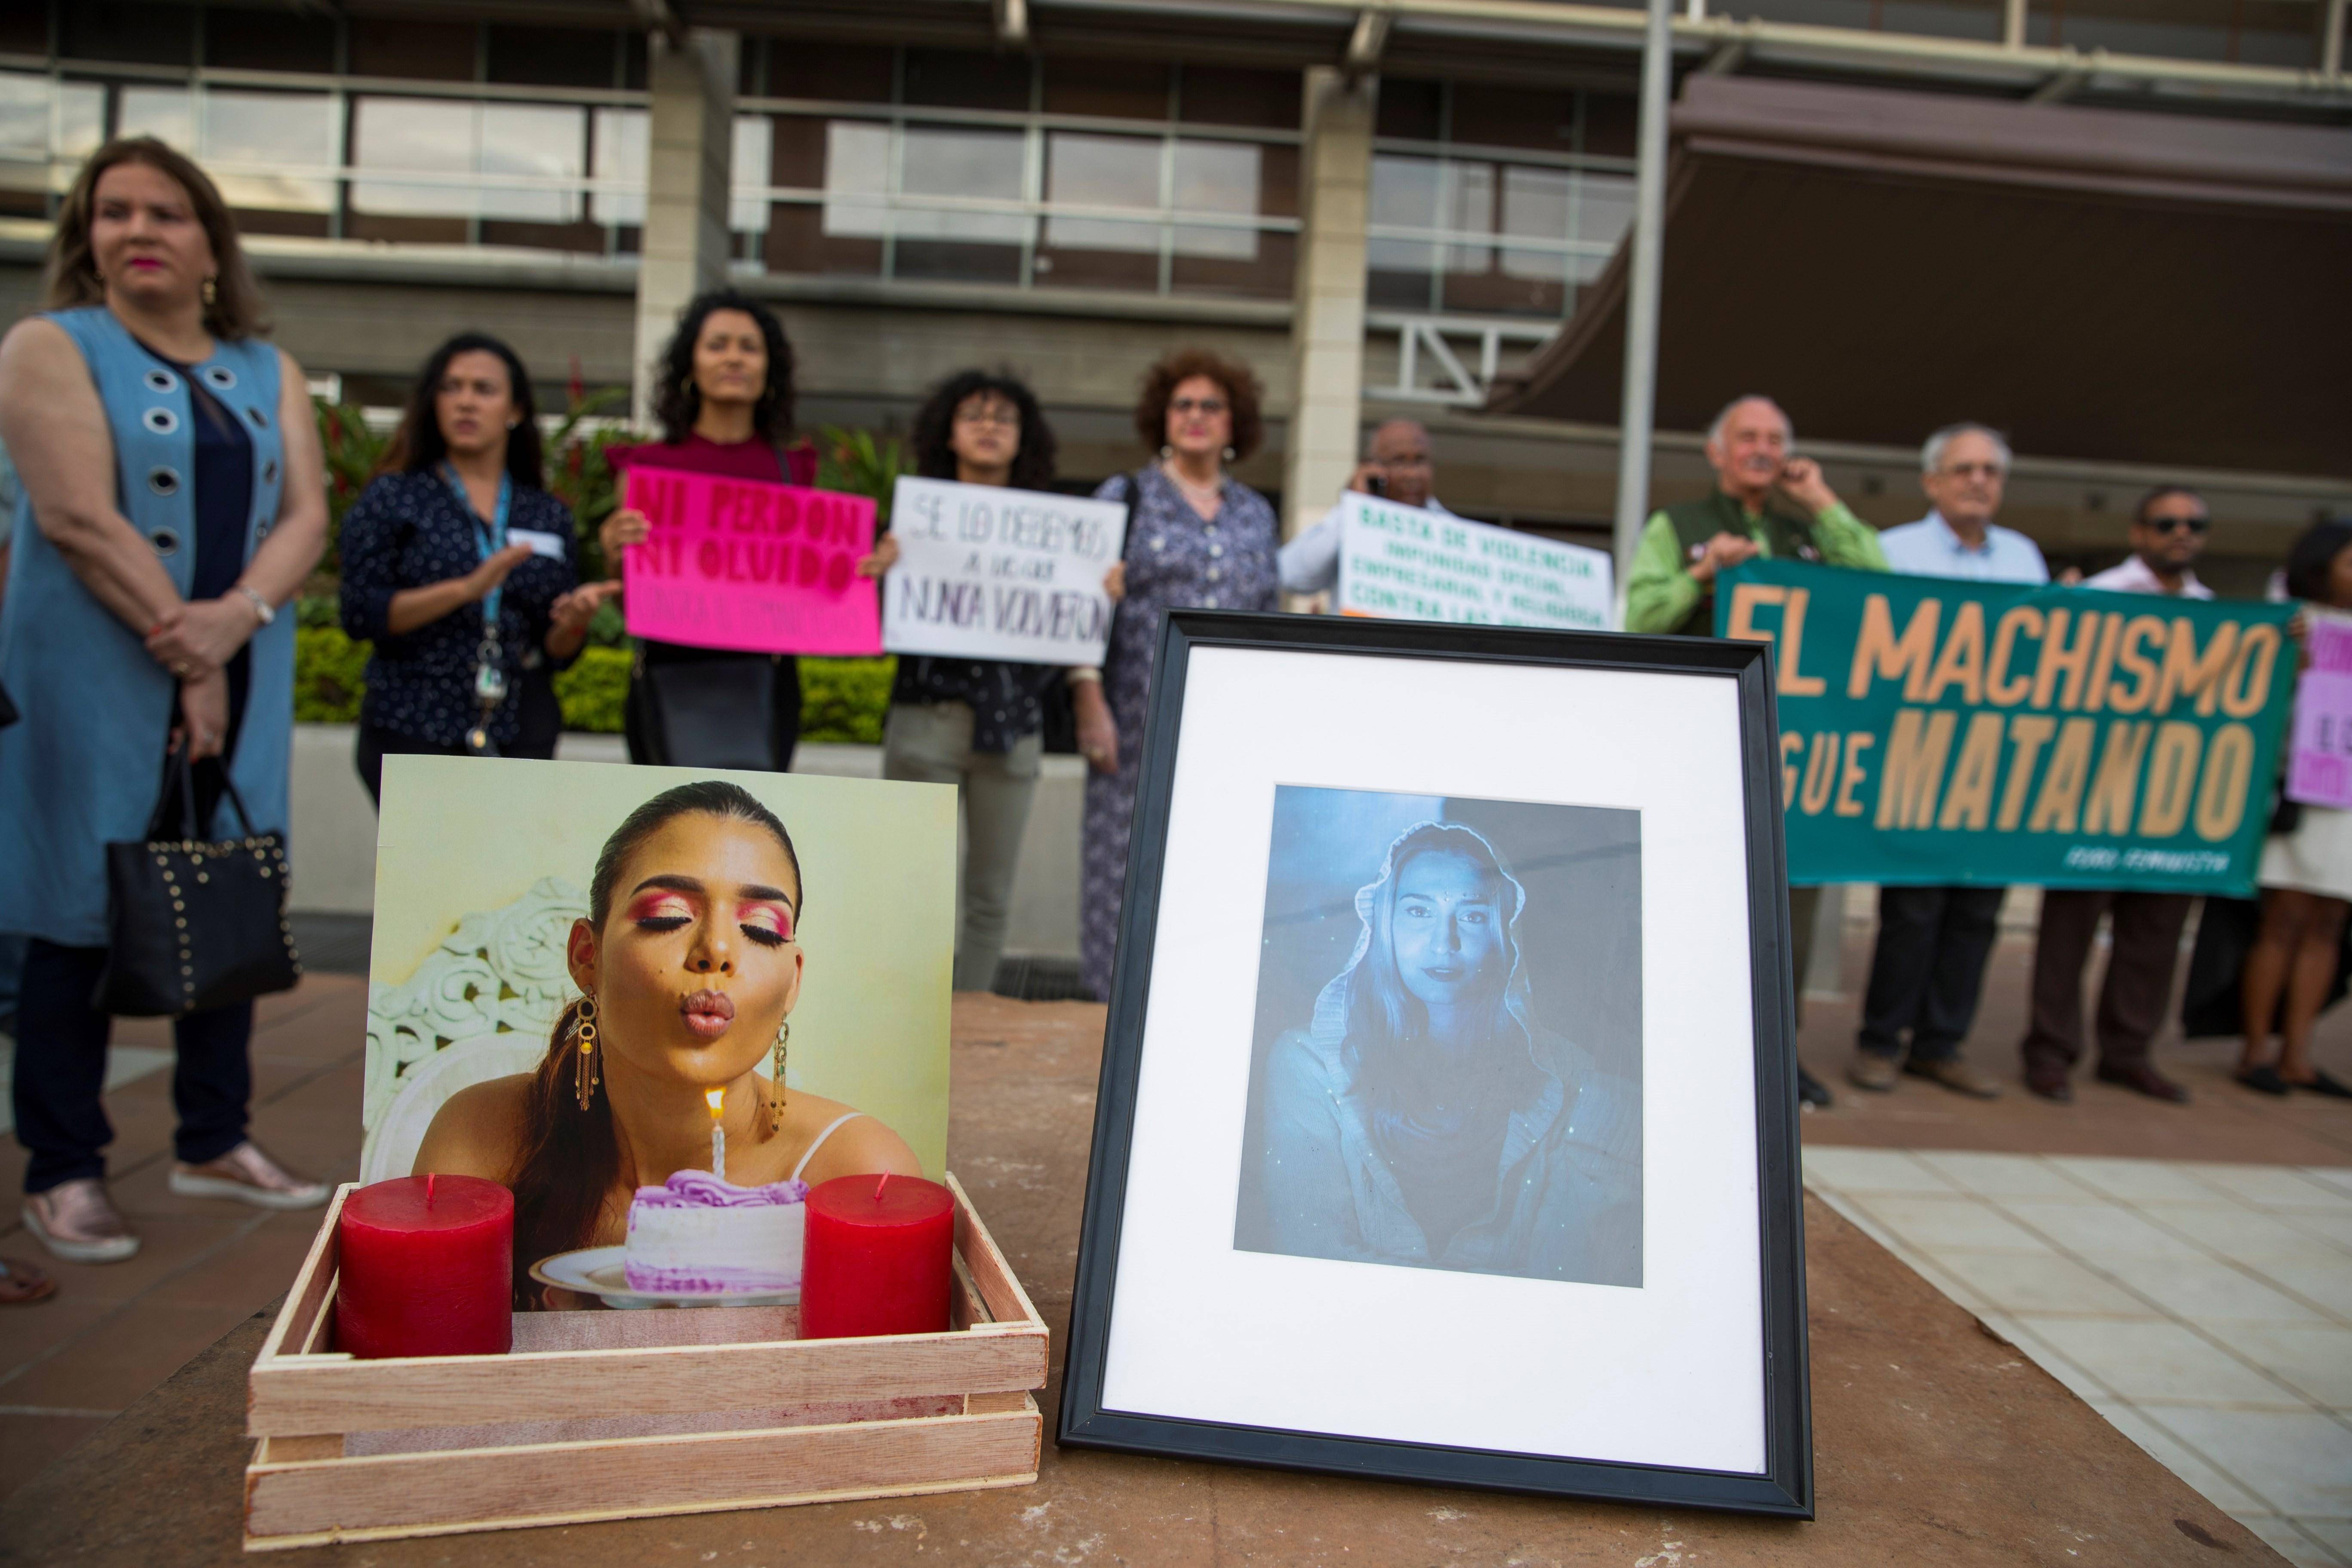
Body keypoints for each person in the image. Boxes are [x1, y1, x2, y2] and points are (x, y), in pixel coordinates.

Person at [0, 137, 332, 1263]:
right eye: (112, 212)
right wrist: (192, 656)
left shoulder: (265, 368)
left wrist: (234, 621)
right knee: (74, 905)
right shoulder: (50, 346)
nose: (138, 230)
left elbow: (307, 516)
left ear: (209, 245)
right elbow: (77, 518)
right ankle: (63, 1164)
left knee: (224, 884)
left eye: (166, 213)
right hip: (96, 671)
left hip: (240, 656)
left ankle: (214, 1135)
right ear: (85, 239)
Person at [413, 779, 924, 1305]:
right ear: (587, 956)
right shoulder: (481, 1137)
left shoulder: (858, 1172)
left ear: (793, 980)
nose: (717, 950)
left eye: (761, 929)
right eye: (670, 917)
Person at [1624, 395, 1887, 1110]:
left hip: (1799, 750)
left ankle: (1781, 1054)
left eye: (1775, 438)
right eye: (1747, 437)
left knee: (1792, 903)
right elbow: (1638, 616)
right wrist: (1703, 575)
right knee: (1696, 889)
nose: (1762, 449)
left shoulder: (1808, 527)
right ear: (1716, 451)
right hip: (1700, 745)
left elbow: (1882, 586)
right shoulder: (1676, 526)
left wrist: (1822, 501)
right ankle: (1688, 1046)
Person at [1255, 821, 1639, 1282]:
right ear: (1383, 927)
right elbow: (1309, 1259)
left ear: (1504, 934)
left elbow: (1564, 1282)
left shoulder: (1572, 1082)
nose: (1444, 943)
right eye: (1419, 912)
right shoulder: (1309, 1066)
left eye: (1473, 916)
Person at [600, 291, 883, 772]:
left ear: (769, 370)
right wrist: (612, 551)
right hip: (672, 674)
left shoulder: (794, 471)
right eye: (718, 345)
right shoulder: (649, 468)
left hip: (765, 683)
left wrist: (860, 570)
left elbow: (814, 588)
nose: (734, 358)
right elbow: (626, 598)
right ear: (689, 365)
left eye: (749, 347)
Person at [1074, 349, 1281, 1001]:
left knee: (1217, 870)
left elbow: (1269, 616)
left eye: (1211, 406)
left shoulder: (1256, 513)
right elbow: (1079, 608)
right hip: (1136, 722)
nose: (1196, 417)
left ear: (1234, 423)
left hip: (1232, 729)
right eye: (1183, 404)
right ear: (1163, 418)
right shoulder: (1126, 495)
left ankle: (1195, 1011)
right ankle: (1108, 1028)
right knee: (1124, 878)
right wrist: (1087, 700)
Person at [1846, 424, 2045, 1100]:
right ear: (1933, 482)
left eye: (1990, 470)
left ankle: (1942, 1044)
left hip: (1994, 772)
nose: (1978, 482)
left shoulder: (2025, 558)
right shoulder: (1892, 553)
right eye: (1964, 470)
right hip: (1919, 763)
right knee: (1913, 910)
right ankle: (1880, 1041)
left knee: (1978, 913)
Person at [337, 332, 617, 802]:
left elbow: (557, 652)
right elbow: (361, 613)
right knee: (423, 872)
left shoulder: (545, 513)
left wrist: (573, 624)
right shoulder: (395, 497)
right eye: (452, 388)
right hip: (413, 720)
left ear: (516, 410)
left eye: (484, 390)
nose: (466, 402)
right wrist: (467, 589)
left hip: (520, 726)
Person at [2021, 486, 2216, 1104]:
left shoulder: (2218, 613)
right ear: (2138, 533)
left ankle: (2128, 1051)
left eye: (2194, 524)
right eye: (2166, 523)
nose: (2180, 533)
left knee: (2154, 934)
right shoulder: (2099, 598)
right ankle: (2051, 1050)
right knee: (2069, 933)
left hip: (2173, 801)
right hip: (2094, 795)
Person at [879, 370, 1060, 993]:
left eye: (1003, 418)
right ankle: (904, 1017)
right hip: (927, 717)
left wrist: (1100, 592)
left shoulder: (1056, 534)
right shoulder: (911, 523)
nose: (988, 427)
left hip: (1014, 726)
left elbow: (1071, 631)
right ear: (948, 433)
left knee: (990, 896)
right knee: (910, 889)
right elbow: (862, 623)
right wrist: (877, 572)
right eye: (974, 415)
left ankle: (974, 1020)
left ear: (1023, 437)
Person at [2239, 518, 2352, 1098]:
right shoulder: (2293, 623)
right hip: (2302, 785)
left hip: (2349, 802)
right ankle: (2256, 1048)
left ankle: (2298, 1053)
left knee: (2330, 922)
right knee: (2283, 919)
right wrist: (2293, 667)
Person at [1277, 417, 1451, 596]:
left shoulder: (1452, 534)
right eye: (1399, 461)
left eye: (1420, 461)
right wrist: (1354, 508)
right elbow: (1290, 576)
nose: (1412, 474)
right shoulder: (1349, 522)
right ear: (1373, 468)